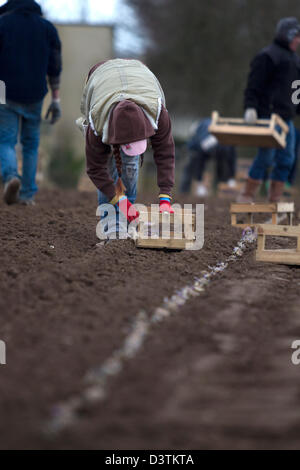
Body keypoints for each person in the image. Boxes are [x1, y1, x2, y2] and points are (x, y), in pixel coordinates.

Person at [77, 58, 175, 238]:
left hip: (139, 74)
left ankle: (126, 222)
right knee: (109, 167)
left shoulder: (158, 112)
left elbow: (165, 153)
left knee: (130, 163)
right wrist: (120, 202)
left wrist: (165, 196)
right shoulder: (97, 122)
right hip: (102, 78)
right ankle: (111, 226)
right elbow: (95, 169)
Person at [0, 0, 62, 205]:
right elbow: (55, 66)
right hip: (35, 93)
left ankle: (10, 177)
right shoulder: (47, 28)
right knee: (31, 144)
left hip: (4, 90)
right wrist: (56, 99)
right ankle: (27, 195)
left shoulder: (3, 23)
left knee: (6, 140)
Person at [238, 17, 300, 203]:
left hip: (286, 119)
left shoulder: (296, 61)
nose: (298, 40)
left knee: (287, 159)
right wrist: (250, 107)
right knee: (266, 157)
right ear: (288, 34)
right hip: (268, 117)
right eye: (296, 36)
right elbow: (253, 85)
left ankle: (275, 198)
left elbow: (296, 90)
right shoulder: (268, 56)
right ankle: (246, 195)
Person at [180, 118, 237, 196]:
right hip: (207, 147)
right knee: (193, 164)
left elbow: (231, 157)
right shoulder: (198, 137)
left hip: (218, 144)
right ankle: (188, 190)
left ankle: (222, 183)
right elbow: (194, 150)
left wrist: (231, 175)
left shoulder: (203, 131)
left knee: (221, 160)